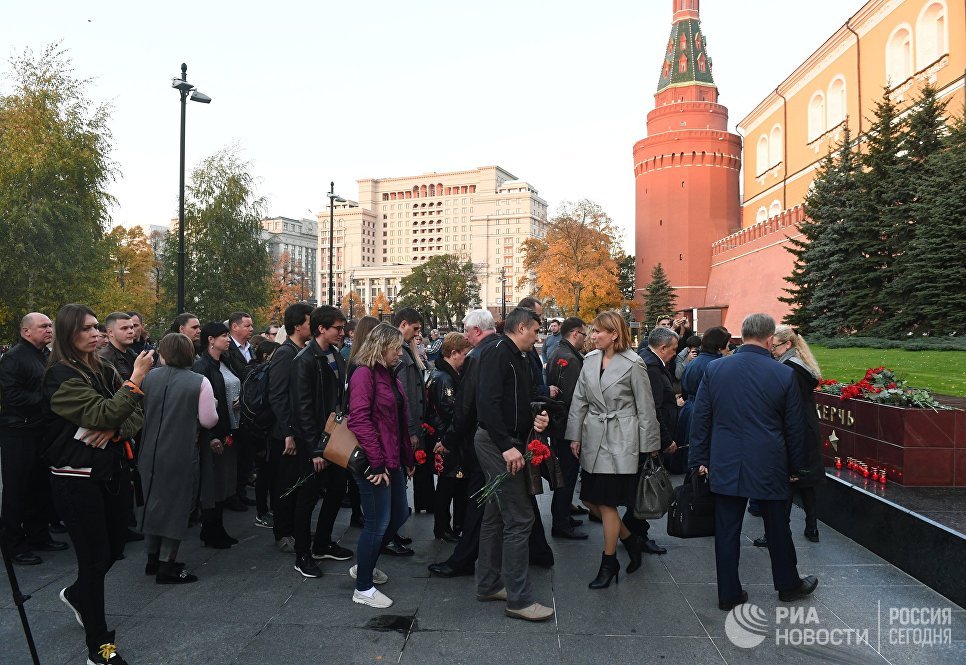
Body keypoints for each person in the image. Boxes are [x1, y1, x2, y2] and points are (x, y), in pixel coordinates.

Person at [44, 303, 151, 665]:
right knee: (94, 561)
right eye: (87, 328)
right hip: (76, 480)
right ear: (68, 334)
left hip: (112, 473)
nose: (96, 333)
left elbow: (134, 413)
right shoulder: (60, 375)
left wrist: (115, 428)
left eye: (96, 327)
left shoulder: (103, 367)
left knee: (112, 550)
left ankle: (77, 594)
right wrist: (135, 380)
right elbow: (105, 410)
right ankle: (100, 647)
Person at [689, 313, 817, 611]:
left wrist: (699, 459)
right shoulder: (783, 373)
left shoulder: (716, 369)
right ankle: (787, 584)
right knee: (777, 526)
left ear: (742, 335)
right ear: (770, 339)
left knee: (727, 528)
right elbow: (794, 427)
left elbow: (702, 419)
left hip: (726, 458)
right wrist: (797, 467)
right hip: (770, 461)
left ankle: (728, 593)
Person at [566, 311, 661, 588]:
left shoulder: (634, 363)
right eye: (592, 331)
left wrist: (649, 447)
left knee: (606, 504)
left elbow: (646, 408)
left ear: (614, 335)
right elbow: (579, 400)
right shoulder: (590, 360)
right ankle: (630, 540)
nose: (592, 336)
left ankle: (609, 562)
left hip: (622, 440)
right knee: (589, 500)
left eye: (598, 332)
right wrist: (574, 435)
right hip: (594, 436)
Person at [475, 306, 554, 621]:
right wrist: (508, 446)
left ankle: (489, 583)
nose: (538, 336)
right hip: (497, 443)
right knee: (520, 519)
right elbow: (487, 403)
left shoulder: (518, 355)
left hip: (506, 441)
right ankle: (519, 600)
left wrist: (538, 417)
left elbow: (518, 401)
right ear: (522, 328)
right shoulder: (498, 352)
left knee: (496, 516)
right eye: (536, 331)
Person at [138, 333, 218, 584]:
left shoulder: (148, 377)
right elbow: (208, 420)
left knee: (152, 503)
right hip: (181, 452)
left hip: (149, 451)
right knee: (176, 508)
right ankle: (167, 565)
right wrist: (212, 404)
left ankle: (152, 558)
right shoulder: (199, 381)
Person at [346, 323, 416, 608]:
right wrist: (375, 464)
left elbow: (398, 421)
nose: (400, 354)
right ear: (381, 347)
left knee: (399, 514)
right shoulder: (364, 374)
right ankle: (363, 587)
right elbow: (358, 420)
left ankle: (366, 563)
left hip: (391, 459)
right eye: (396, 348)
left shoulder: (387, 374)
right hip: (375, 463)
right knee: (377, 523)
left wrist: (406, 458)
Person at [427, 310, 499, 579]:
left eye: (468, 332)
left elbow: (463, 408)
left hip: (478, 441)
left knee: (477, 499)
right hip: (472, 441)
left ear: (477, 330)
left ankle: (464, 555)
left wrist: (448, 440)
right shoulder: (487, 355)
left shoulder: (478, 357)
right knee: (459, 490)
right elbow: (452, 409)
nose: (468, 343)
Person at [289, 305, 354, 578]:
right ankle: (302, 554)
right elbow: (302, 409)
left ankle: (322, 543)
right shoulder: (304, 360)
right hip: (315, 443)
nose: (342, 333)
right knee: (307, 498)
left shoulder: (334, 355)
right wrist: (315, 449)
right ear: (321, 329)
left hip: (334, 438)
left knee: (338, 489)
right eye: (338, 329)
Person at [1, 312, 66, 566]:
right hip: (18, 432)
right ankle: (13, 545)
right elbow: (11, 396)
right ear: (26, 331)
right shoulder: (14, 358)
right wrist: (48, 402)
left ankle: (39, 536)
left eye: (50, 326)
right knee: (17, 490)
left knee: (39, 486)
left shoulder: (44, 355)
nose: (49, 330)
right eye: (43, 326)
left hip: (40, 431)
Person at [754, 325, 825, 547]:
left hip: (791, 430)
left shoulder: (788, 369)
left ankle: (775, 533)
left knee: (784, 482)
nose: (772, 351)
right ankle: (811, 526)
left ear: (788, 345)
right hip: (807, 428)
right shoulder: (802, 365)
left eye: (774, 346)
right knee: (806, 482)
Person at [266, 303, 313, 552]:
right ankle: (283, 532)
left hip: (297, 430)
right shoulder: (286, 353)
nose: (313, 326)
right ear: (297, 326)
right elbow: (278, 395)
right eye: (309, 321)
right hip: (285, 434)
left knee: (298, 483)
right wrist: (287, 433)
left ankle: (295, 528)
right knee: (285, 484)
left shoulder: (301, 350)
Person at [631, 325, 681, 556]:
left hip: (650, 437)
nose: (674, 353)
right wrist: (664, 440)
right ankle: (636, 534)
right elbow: (654, 409)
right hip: (651, 439)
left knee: (641, 487)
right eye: (673, 349)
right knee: (644, 488)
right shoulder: (651, 368)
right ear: (662, 348)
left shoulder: (648, 362)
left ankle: (634, 531)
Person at [192, 322, 239, 549]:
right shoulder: (202, 366)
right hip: (214, 432)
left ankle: (216, 528)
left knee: (223, 481)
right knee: (213, 483)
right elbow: (201, 406)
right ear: (210, 339)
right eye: (223, 335)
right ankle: (210, 529)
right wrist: (211, 435)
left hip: (229, 428)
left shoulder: (225, 362)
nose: (228, 339)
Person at [426, 332, 472, 542]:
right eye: (464, 354)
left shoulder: (444, 375)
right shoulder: (445, 379)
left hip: (449, 439)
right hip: (448, 441)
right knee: (448, 485)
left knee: (452, 484)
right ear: (453, 353)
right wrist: (447, 440)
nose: (466, 358)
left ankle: (451, 525)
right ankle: (443, 527)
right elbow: (451, 413)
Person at [389, 308, 429, 549]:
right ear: (403, 324)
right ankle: (390, 535)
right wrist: (412, 431)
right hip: (405, 428)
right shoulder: (399, 354)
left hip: (409, 426)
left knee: (401, 481)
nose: (417, 334)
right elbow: (403, 398)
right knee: (399, 482)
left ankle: (393, 533)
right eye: (415, 329)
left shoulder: (404, 351)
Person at [546, 317, 588, 540]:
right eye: (584, 334)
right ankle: (561, 522)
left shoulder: (558, 351)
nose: (585, 339)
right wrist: (575, 433)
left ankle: (564, 516)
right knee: (567, 474)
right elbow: (574, 400)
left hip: (560, 426)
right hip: (566, 428)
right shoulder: (569, 358)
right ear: (575, 334)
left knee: (566, 474)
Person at [225, 311, 256, 510]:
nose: (251, 329)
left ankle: (242, 491)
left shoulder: (251, 349)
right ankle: (233, 494)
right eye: (247, 325)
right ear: (234, 327)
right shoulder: (228, 350)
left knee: (246, 452)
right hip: (234, 408)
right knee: (235, 454)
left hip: (249, 409)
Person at [99, 312, 137, 381]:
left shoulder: (132, 353)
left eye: (131, 327)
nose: (130, 331)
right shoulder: (104, 359)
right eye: (124, 328)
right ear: (110, 332)